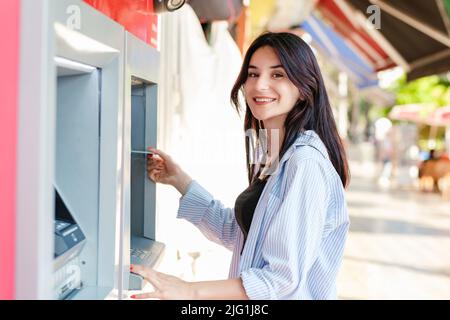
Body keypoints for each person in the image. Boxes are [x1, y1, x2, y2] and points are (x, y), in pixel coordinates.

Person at [130, 32, 350, 300]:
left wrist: (189, 291)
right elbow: (241, 233)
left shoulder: (305, 163)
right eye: (253, 74)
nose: (260, 85)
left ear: (305, 89)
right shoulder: (275, 151)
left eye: (277, 75)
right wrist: (180, 180)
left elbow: (281, 278)